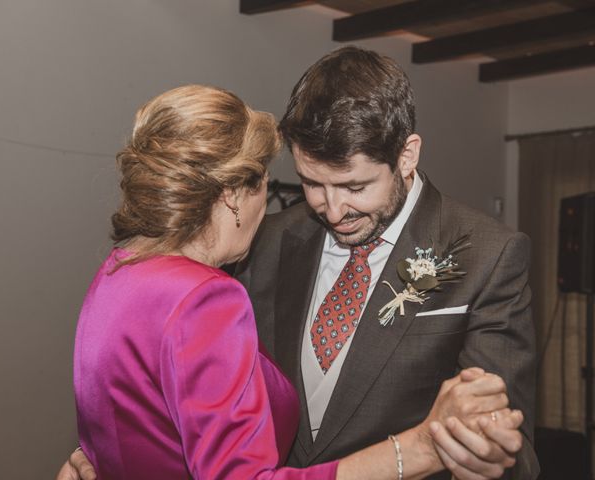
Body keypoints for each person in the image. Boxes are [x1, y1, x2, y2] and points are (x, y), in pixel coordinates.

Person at [60, 46, 536, 478]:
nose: (332, 210)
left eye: (354, 187)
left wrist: (482, 453)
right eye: (312, 182)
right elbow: (184, 381)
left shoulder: (490, 254)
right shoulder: (261, 242)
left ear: (406, 155)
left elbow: (510, 445)